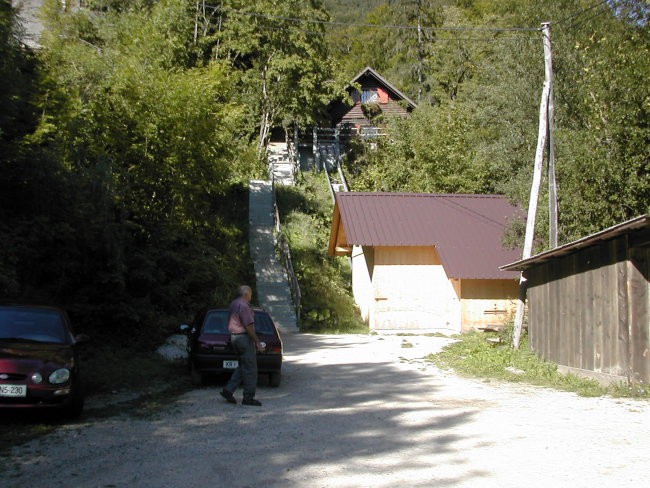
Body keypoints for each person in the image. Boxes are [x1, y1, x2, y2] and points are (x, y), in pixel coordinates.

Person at [220, 285, 264, 406]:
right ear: (246, 294)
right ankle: (248, 398)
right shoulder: (244, 306)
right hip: (244, 338)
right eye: (250, 294)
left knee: (243, 365)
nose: (251, 297)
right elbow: (249, 326)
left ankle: (228, 390)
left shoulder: (234, 303)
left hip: (234, 337)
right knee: (251, 369)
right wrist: (257, 342)